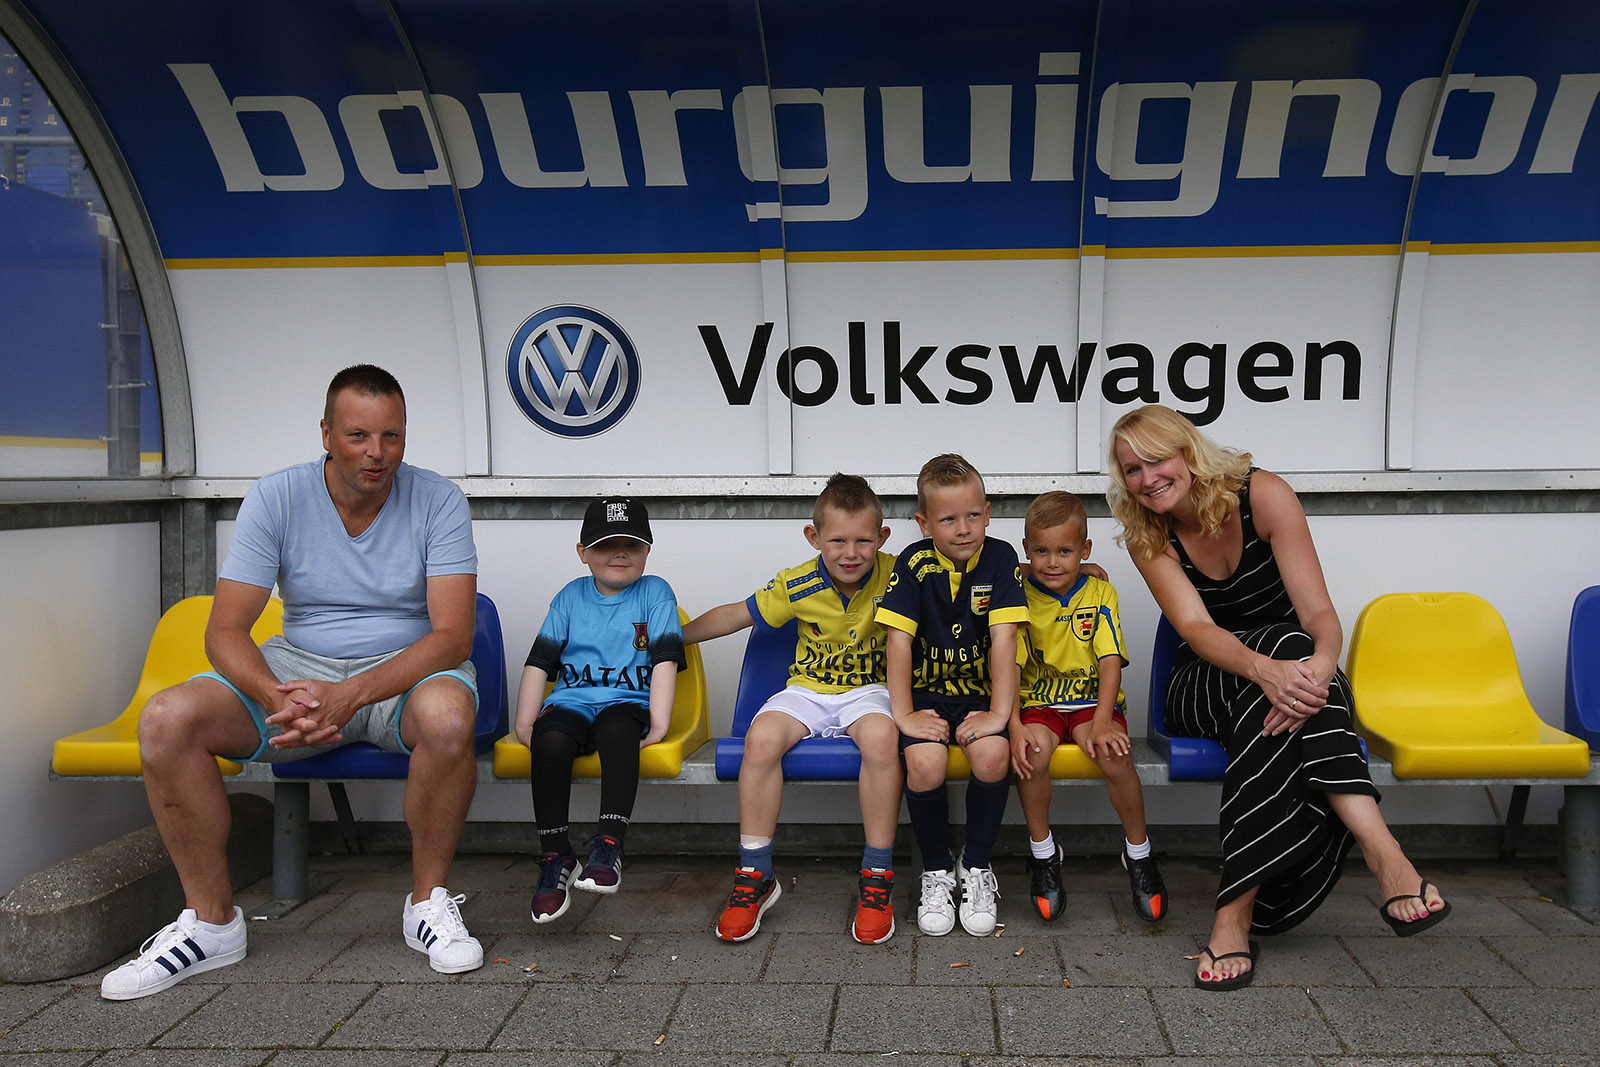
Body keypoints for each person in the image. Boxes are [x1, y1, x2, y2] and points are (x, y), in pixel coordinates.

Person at [103, 365, 484, 1001]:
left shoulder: (438, 499)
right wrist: (274, 695)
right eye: (359, 435)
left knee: (449, 717)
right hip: (297, 677)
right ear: (327, 433)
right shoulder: (277, 496)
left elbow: (451, 638)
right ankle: (212, 924)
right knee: (166, 718)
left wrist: (351, 693)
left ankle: (427, 906)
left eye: (392, 436)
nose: (377, 453)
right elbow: (225, 632)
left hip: (404, 676)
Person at [1108, 404, 1450, 992]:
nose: (1146, 479)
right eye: (1131, 470)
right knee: (1285, 664)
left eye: (1156, 460)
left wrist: (1315, 670)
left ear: (1188, 450)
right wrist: (1268, 670)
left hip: (1289, 679)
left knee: (1292, 679)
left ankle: (1234, 913)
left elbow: (1320, 614)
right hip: (1206, 678)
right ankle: (1385, 853)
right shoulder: (1148, 530)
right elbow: (1196, 628)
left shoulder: (1263, 494)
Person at [685, 474, 902, 945]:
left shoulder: (900, 574)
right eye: (838, 540)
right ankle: (755, 873)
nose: (851, 553)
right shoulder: (798, 582)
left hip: (869, 691)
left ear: (882, 538)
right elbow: (733, 615)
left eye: (864, 540)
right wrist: (673, 638)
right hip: (808, 689)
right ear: (814, 537)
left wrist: (1059, 573)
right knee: (760, 739)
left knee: (884, 739)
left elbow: (969, 577)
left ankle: (877, 876)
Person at [876, 454, 1026, 937]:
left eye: (973, 515)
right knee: (924, 764)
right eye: (947, 518)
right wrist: (904, 714)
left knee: (994, 755)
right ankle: (936, 872)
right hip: (925, 698)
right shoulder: (914, 563)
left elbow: (1005, 638)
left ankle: (977, 867)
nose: (963, 528)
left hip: (978, 700)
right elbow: (897, 640)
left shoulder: (1001, 558)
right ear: (924, 523)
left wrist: (1000, 713)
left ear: (988, 510)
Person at [515, 498, 684, 923]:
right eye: (607, 545)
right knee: (548, 740)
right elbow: (540, 662)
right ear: (583, 552)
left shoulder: (655, 592)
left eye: (632, 544)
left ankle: (609, 846)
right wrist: (524, 721)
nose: (620, 553)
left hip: (626, 704)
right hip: (570, 702)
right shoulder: (570, 597)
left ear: (647, 551)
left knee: (617, 730)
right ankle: (556, 856)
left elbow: (664, 658)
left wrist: (659, 720)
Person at [1011, 491, 1168, 924]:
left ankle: (1139, 854)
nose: (1053, 562)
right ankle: (1045, 855)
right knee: (1032, 755)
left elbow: (1110, 661)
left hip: (1089, 704)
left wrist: (1102, 721)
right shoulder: (1016, 591)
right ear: (1027, 551)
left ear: (1086, 551)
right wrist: (1014, 727)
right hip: (1039, 703)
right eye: (1040, 551)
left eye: (1065, 551)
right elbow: (1008, 661)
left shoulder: (1099, 592)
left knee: (1115, 756)